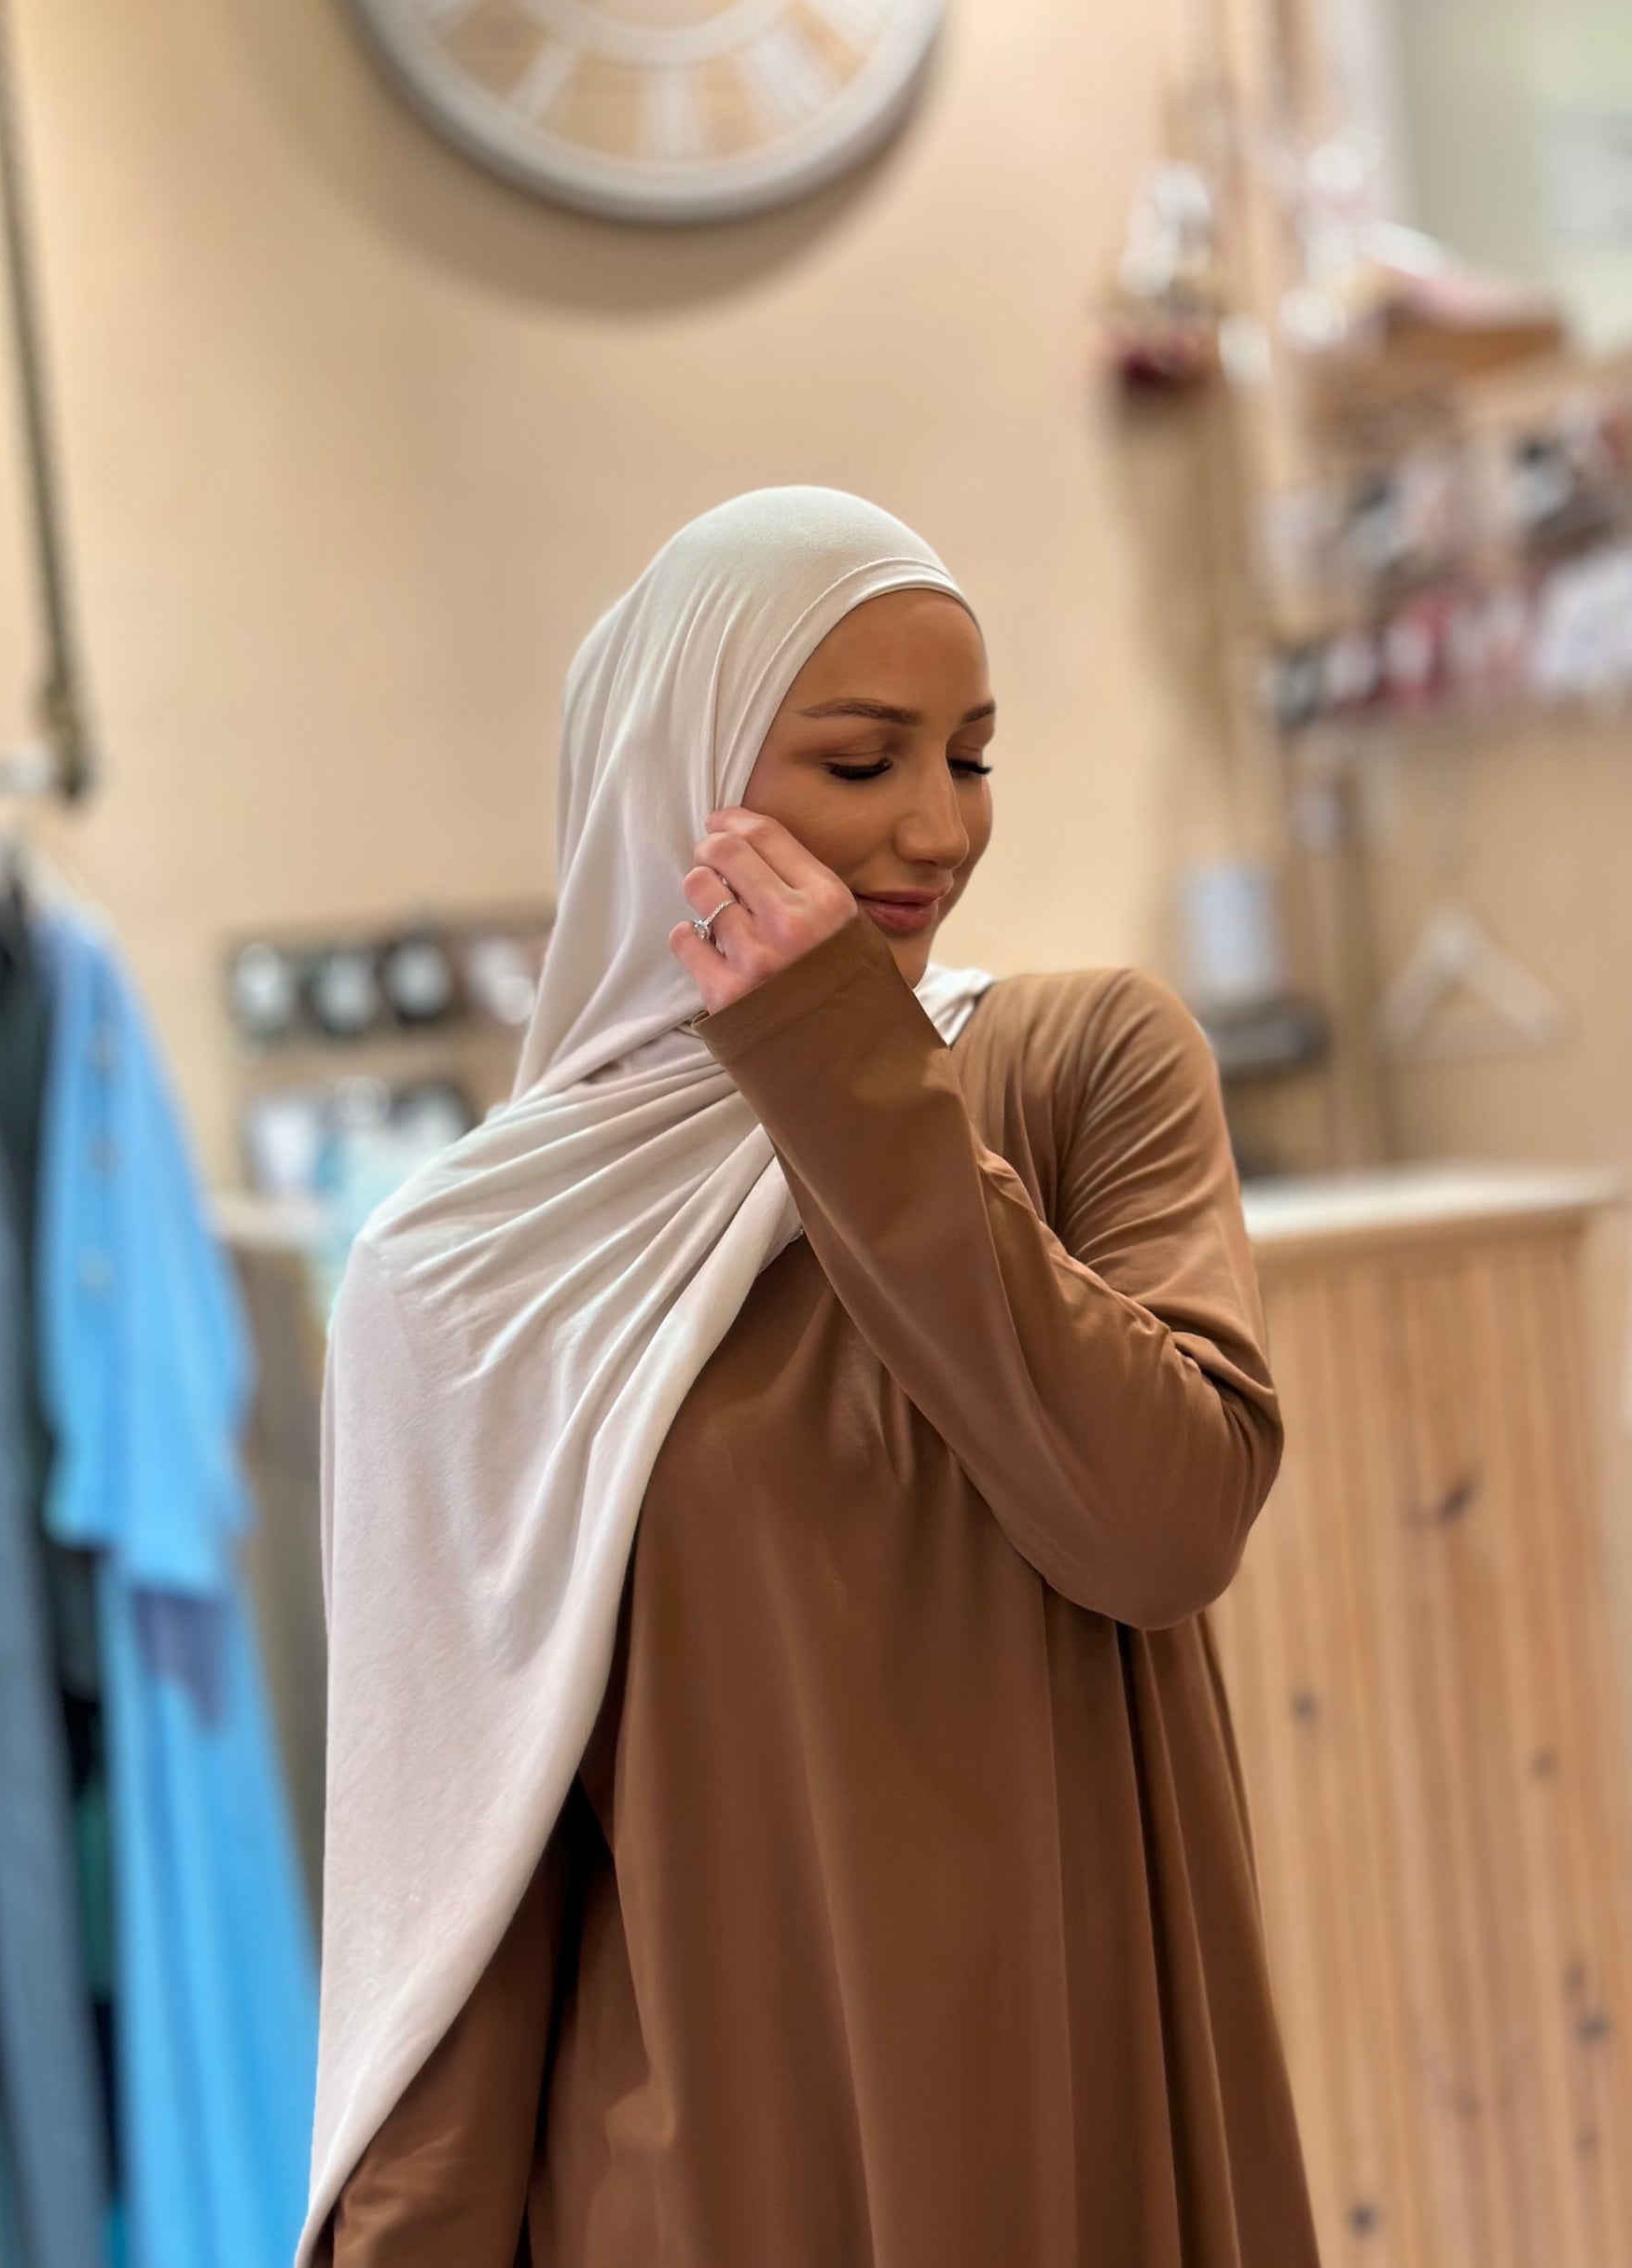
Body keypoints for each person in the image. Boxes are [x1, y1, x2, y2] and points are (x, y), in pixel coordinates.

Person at [298, 489, 1321, 2268]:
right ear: (669, 783)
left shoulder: (1076, 1070)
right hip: (706, 2188)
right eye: (861, 763)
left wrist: (841, 1065)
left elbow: (1160, 1525)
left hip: (1084, 2132)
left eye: (971, 759)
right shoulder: (463, 1273)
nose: (937, 827)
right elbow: (452, 1894)